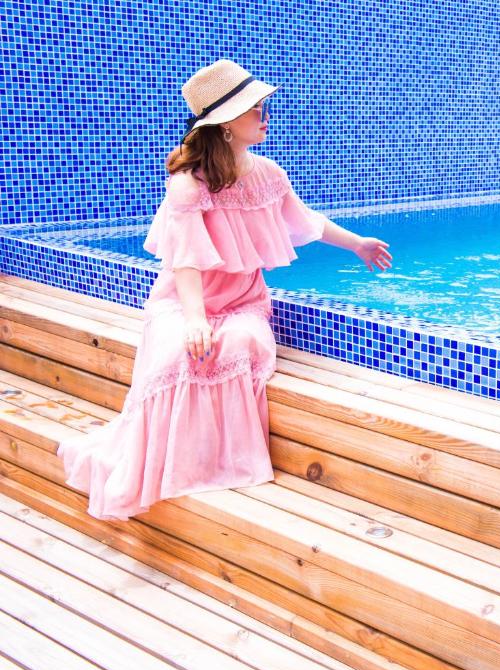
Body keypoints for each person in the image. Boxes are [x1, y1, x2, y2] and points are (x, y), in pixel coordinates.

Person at [58, 59, 392, 520]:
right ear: (225, 124)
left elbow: (306, 222)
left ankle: (218, 463)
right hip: (182, 302)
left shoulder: (269, 174)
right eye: (255, 109)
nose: (265, 115)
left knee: (240, 343)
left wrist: (358, 244)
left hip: (243, 303)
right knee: (184, 352)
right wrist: (195, 319)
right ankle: (173, 462)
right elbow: (186, 261)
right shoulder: (186, 186)